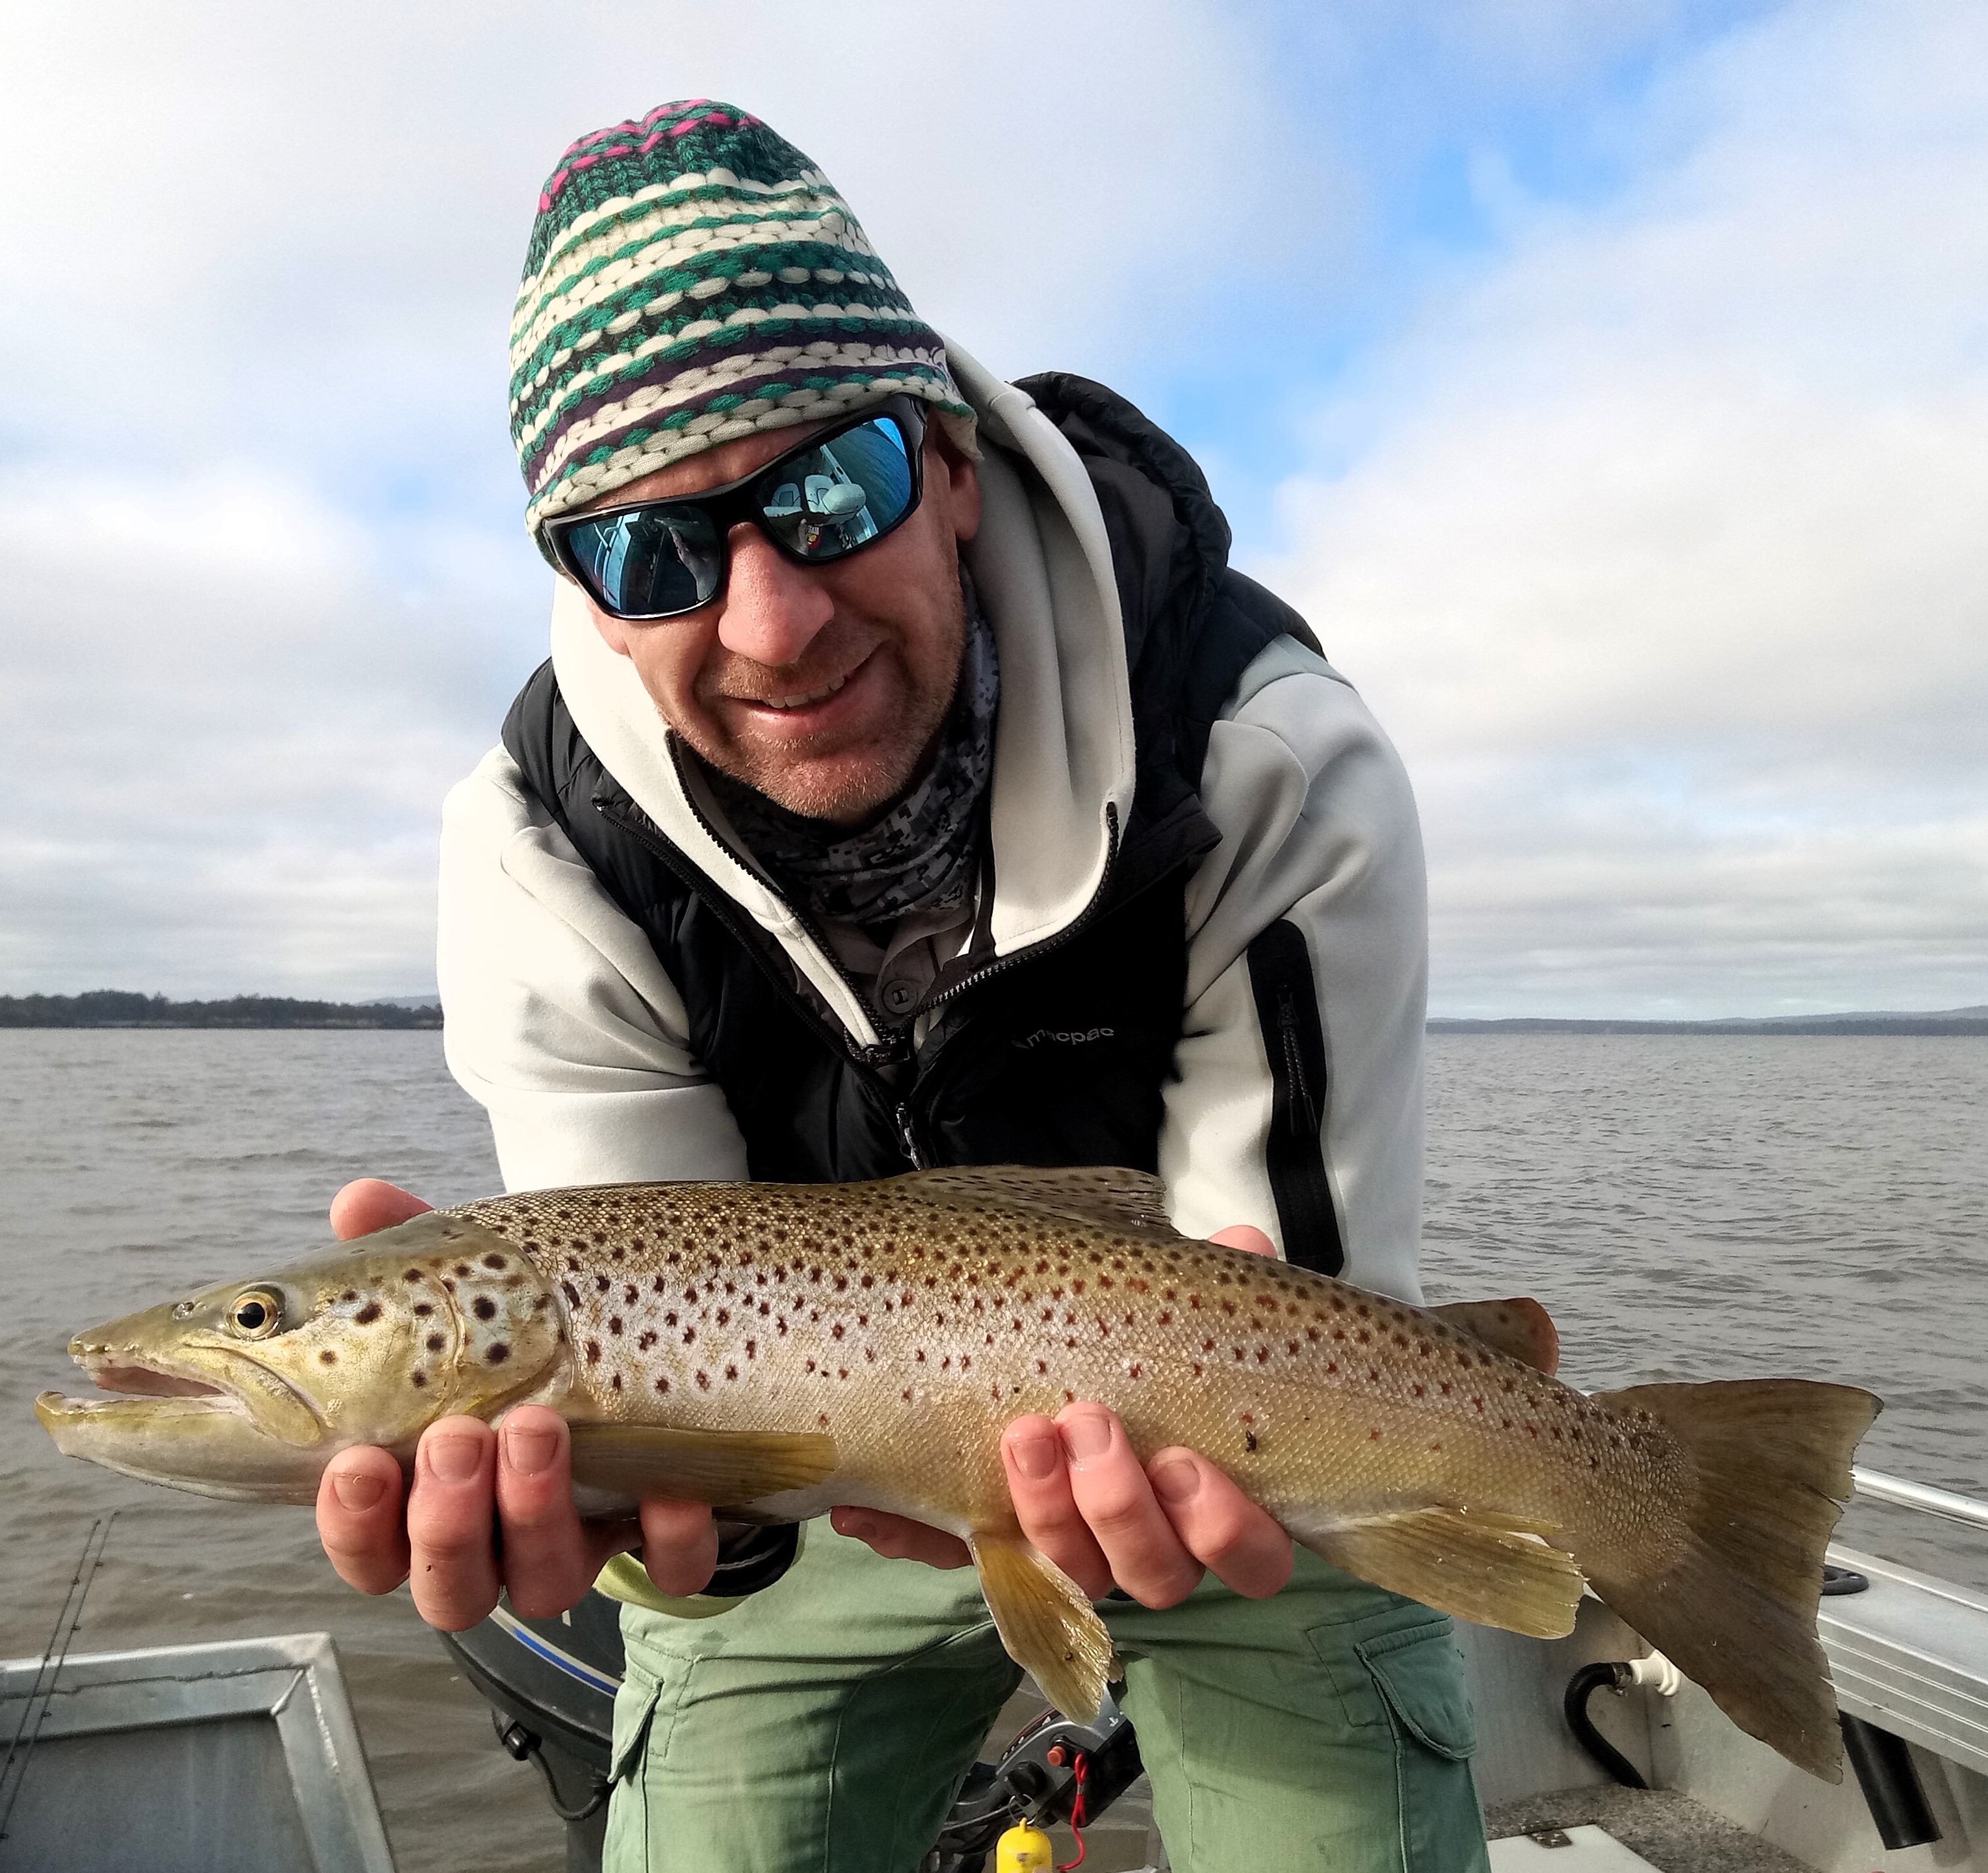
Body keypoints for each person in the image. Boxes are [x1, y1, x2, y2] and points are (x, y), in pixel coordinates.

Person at [314, 101, 1484, 1872]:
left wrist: (1202, 1465)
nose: (772, 620)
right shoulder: (537, 843)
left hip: (1221, 1455)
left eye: (829, 486)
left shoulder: (1260, 755)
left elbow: (1292, 1301)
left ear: (948, 462)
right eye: (653, 550)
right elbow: (675, 1392)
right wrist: (651, 1519)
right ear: (583, 585)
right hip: (811, 1499)